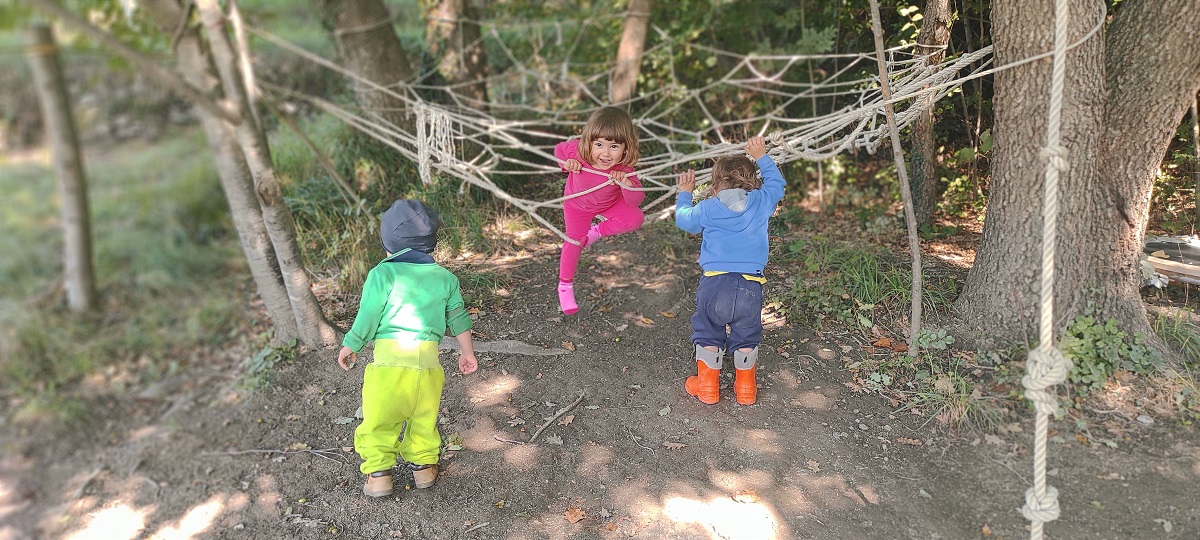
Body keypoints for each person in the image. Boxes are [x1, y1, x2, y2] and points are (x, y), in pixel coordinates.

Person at [336, 199, 479, 498]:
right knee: (424, 419)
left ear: (389, 244)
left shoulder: (382, 274)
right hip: (428, 369)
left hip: (389, 367)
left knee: (379, 420)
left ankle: (378, 475)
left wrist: (351, 344)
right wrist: (468, 352)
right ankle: (423, 468)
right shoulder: (445, 278)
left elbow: (369, 315)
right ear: (429, 244)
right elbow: (458, 317)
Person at [674, 135, 785, 405]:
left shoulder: (709, 208)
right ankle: (746, 389)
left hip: (714, 285)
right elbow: (778, 185)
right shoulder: (761, 201)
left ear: (714, 188)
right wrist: (761, 156)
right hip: (750, 287)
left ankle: (708, 387)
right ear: (753, 183)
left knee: (708, 329)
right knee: (746, 334)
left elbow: (684, 221)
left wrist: (685, 194)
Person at [554, 106, 646, 314]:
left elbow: (635, 201)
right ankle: (565, 286)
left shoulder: (624, 169)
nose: (605, 153)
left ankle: (595, 232)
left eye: (614, 146)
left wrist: (626, 184)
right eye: (599, 144)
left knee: (635, 218)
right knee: (573, 241)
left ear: (625, 148)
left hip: (608, 204)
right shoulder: (578, 153)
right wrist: (566, 163)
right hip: (577, 205)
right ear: (589, 143)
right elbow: (559, 149)